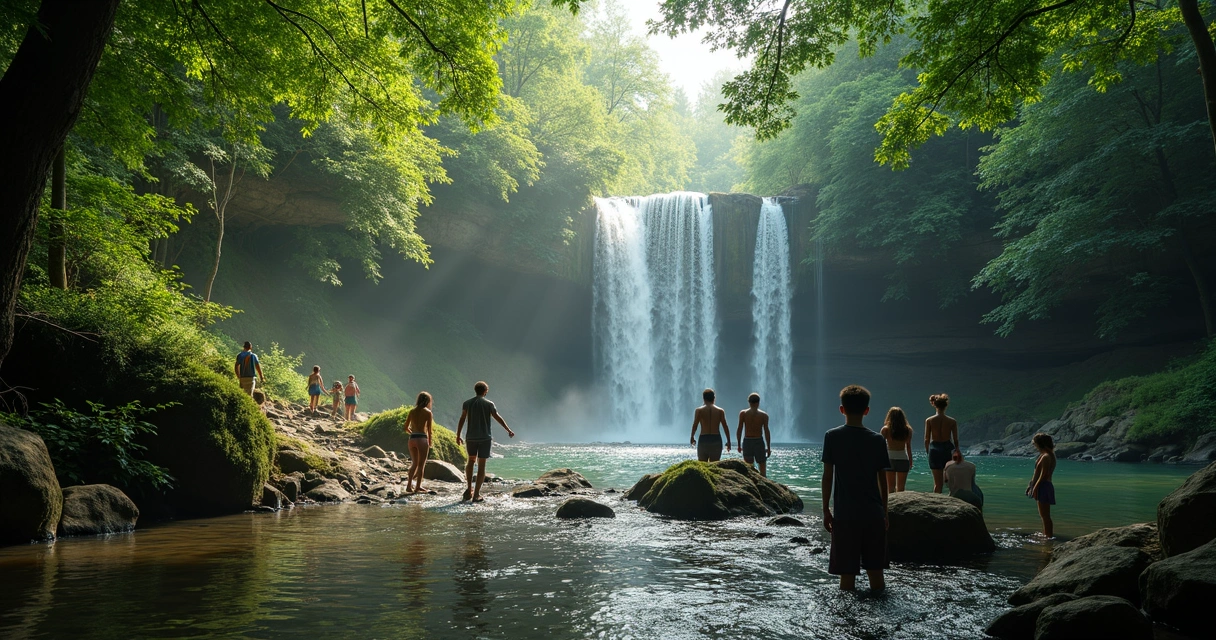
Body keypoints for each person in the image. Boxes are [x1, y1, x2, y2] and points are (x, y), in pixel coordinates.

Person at [821, 384, 890, 592]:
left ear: (841, 409)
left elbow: (827, 476)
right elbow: (883, 481)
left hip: (845, 515)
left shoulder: (832, 436)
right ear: (866, 411)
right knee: (876, 575)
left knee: (847, 578)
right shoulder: (878, 439)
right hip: (873, 514)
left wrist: (826, 510)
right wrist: (885, 512)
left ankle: (846, 622)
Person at [456, 381, 514, 503]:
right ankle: (476, 494)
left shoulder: (467, 403)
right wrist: (508, 429)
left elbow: (462, 419)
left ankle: (469, 489)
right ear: (485, 391)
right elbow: (497, 417)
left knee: (471, 461)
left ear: (475, 390)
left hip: (470, 437)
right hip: (484, 438)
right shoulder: (489, 404)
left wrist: (458, 435)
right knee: (481, 464)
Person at [924, 393, 960, 493]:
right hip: (948, 448)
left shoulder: (929, 420)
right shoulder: (952, 421)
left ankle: (936, 504)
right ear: (945, 405)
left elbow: (926, 439)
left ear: (934, 405)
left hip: (934, 449)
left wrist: (928, 451)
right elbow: (955, 439)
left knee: (937, 484)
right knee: (950, 481)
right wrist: (957, 451)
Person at [1026, 432, 1057, 538]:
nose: (1034, 446)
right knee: (1043, 515)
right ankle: (1046, 534)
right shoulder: (1044, 455)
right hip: (1042, 485)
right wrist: (1030, 485)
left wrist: (1035, 487)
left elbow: (1044, 475)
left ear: (1040, 444)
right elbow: (1036, 473)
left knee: (1045, 516)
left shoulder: (1046, 457)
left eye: (1034, 444)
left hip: (1044, 486)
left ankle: (1048, 537)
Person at [403, 391, 434, 494]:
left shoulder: (412, 411)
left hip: (412, 438)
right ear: (427, 401)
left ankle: (408, 486)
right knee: (421, 465)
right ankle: (418, 487)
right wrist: (429, 441)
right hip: (422, 438)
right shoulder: (428, 412)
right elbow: (429, 430)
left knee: (414, 463)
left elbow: (405, 427)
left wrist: (413, 433)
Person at [690, 388, 730, 462]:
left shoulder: (699, 410)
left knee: (702, 465)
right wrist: (728, 441)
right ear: (714, 398)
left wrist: (692, 436)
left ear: (703, 398)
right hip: (716, 439)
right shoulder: (720, 411)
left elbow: (695, 425)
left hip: (703, 439)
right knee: (714, 465)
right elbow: (725, 427)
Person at [736, 393, 771, 475]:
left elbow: (739, 429)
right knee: (762, 466)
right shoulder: (764, 415)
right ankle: (763, 481)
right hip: (759, 441)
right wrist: (768, 447)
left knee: (749, 468)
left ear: (749, 402)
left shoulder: (743, 413)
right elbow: (766, 432)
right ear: (758, 403)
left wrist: (738, 444)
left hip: (747, 441)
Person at [880, 407, 914, 493]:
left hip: (889, 459)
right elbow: (908, 446)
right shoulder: (908, 430)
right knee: (901, 488)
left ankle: (890, 505)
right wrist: (910, 460)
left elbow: (881, 447)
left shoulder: (885, 429)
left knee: (890, 488)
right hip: (903, 458)